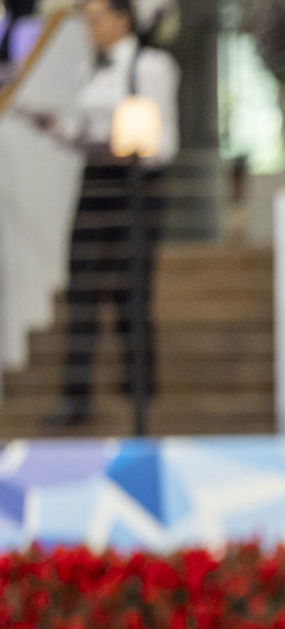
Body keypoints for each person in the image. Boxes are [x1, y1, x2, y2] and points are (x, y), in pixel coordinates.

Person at [30, 0, 178, 428]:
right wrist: (61, 132)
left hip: (135, 187)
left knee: (132, 290)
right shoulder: (88, 69)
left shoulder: (151, 67)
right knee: (81, 291)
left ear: (122, 18)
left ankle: (139, 389)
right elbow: (87, 133)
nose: (89, 28)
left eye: (96, 18)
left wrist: (129, 145)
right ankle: (76, 396)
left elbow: (164, 141)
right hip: (95, 182)